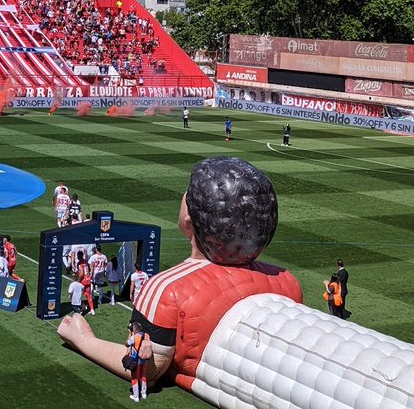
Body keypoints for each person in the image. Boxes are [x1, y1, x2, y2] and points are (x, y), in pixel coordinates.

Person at [58, 157, 301, 398]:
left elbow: (149, 371)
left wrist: (84, 341)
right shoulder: (288, 282)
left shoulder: (166, 289)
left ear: (189, 220)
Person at [126, 322, 153, 402]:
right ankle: (144, 393)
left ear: (134, 329)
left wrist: (130, 334)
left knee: (135, 378)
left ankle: (136, 396)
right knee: (143, 376)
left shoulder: (134, 337)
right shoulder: (146, 335)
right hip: (144, 360)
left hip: (135, 361)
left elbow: (126, 344)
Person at [76, 250, 96, 316]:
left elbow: (81, 274)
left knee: (78, 295)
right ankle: (92, 309)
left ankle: (83, 307)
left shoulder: (79, 263)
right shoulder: (86, 262)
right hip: (88, 280)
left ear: (79, 256)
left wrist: (78, 281)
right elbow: (90, 269)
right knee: (88, 295)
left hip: (83, 281)